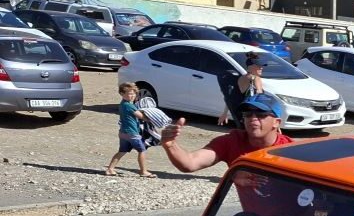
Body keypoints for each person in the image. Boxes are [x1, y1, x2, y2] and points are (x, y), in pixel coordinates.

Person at [161, 92, 292, 172]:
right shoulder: (232, 141)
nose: (253, 118)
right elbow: (190, 163)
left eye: (261, 114)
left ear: (276, 122)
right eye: (247, 114)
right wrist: (171, 145)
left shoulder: (292, 150)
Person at [105, 82, 156, 178]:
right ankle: (143, 171)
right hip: (132, 133)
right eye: (129, 94)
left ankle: (110, 169)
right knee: (142, 150)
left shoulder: (122, 104)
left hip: (123, 132)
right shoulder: (129, 106)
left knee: (122, 151)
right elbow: (141, 117)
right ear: (122, 94)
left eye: (133, 94)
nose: (132, 96)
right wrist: (152, 118)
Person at [218, 51, 266, 126]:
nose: (261, 68)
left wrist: (225, 113)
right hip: (253, 118)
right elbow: (261, 100)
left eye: (261, 66)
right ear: (251, 66)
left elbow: (230, 97)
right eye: (258, 66)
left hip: (242, 116)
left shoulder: (240, 78)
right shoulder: (255, 79)